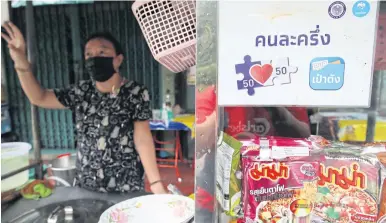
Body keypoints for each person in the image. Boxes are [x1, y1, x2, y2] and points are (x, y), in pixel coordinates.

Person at [1, 21, 166, 194]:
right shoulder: (80, 92)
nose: (95, 58)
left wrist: (155, 182)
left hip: (126, 184)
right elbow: (39, 97)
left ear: (118, 60)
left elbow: (143, 139)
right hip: (87, 184)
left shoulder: (136, 92)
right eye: (89, 54)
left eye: (102, 52)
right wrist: (21, 63)